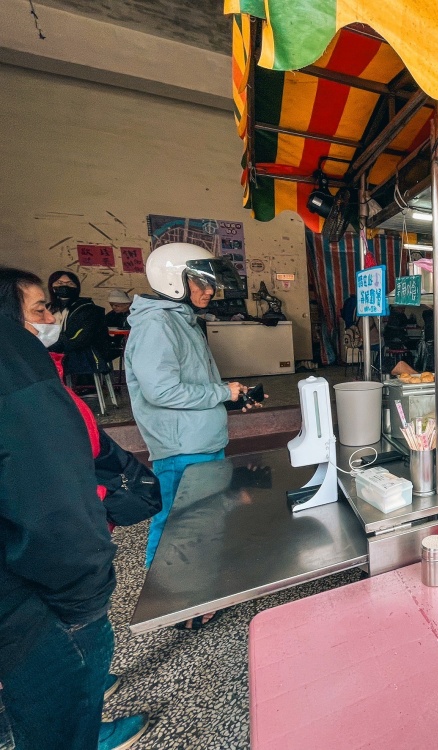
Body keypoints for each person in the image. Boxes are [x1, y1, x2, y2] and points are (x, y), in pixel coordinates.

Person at [0, 268, 148, 749]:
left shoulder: (37, 372)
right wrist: (84, 599)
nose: (51, 316)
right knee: (60, 693)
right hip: (42, 594)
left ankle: (79, 710)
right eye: (40, 309)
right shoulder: (21, 386)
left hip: (31, 581)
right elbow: (49, 502)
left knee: (53, 695)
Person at [125, 244, 262, 630]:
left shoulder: (179, 319)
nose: (209, 291)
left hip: (199, 441)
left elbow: (190, 384)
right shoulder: (156, 325)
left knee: (201, 520)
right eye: (200, 281)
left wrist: (230, 398)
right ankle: (169, 602)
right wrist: (221, 393)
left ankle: (194, 591)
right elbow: (161, 391)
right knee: (176, 523)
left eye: (209, 282)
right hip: (181, 448)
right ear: (172, 280)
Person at [47, 270, 114, 379]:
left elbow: (79, 338)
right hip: (55, 351)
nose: (64, 286)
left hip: (82, 355)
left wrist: (52, 346)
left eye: (70, 283)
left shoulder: (88, 309)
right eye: (59, 283)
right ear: (52, 286)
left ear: (76, 287)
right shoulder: (47, 309)